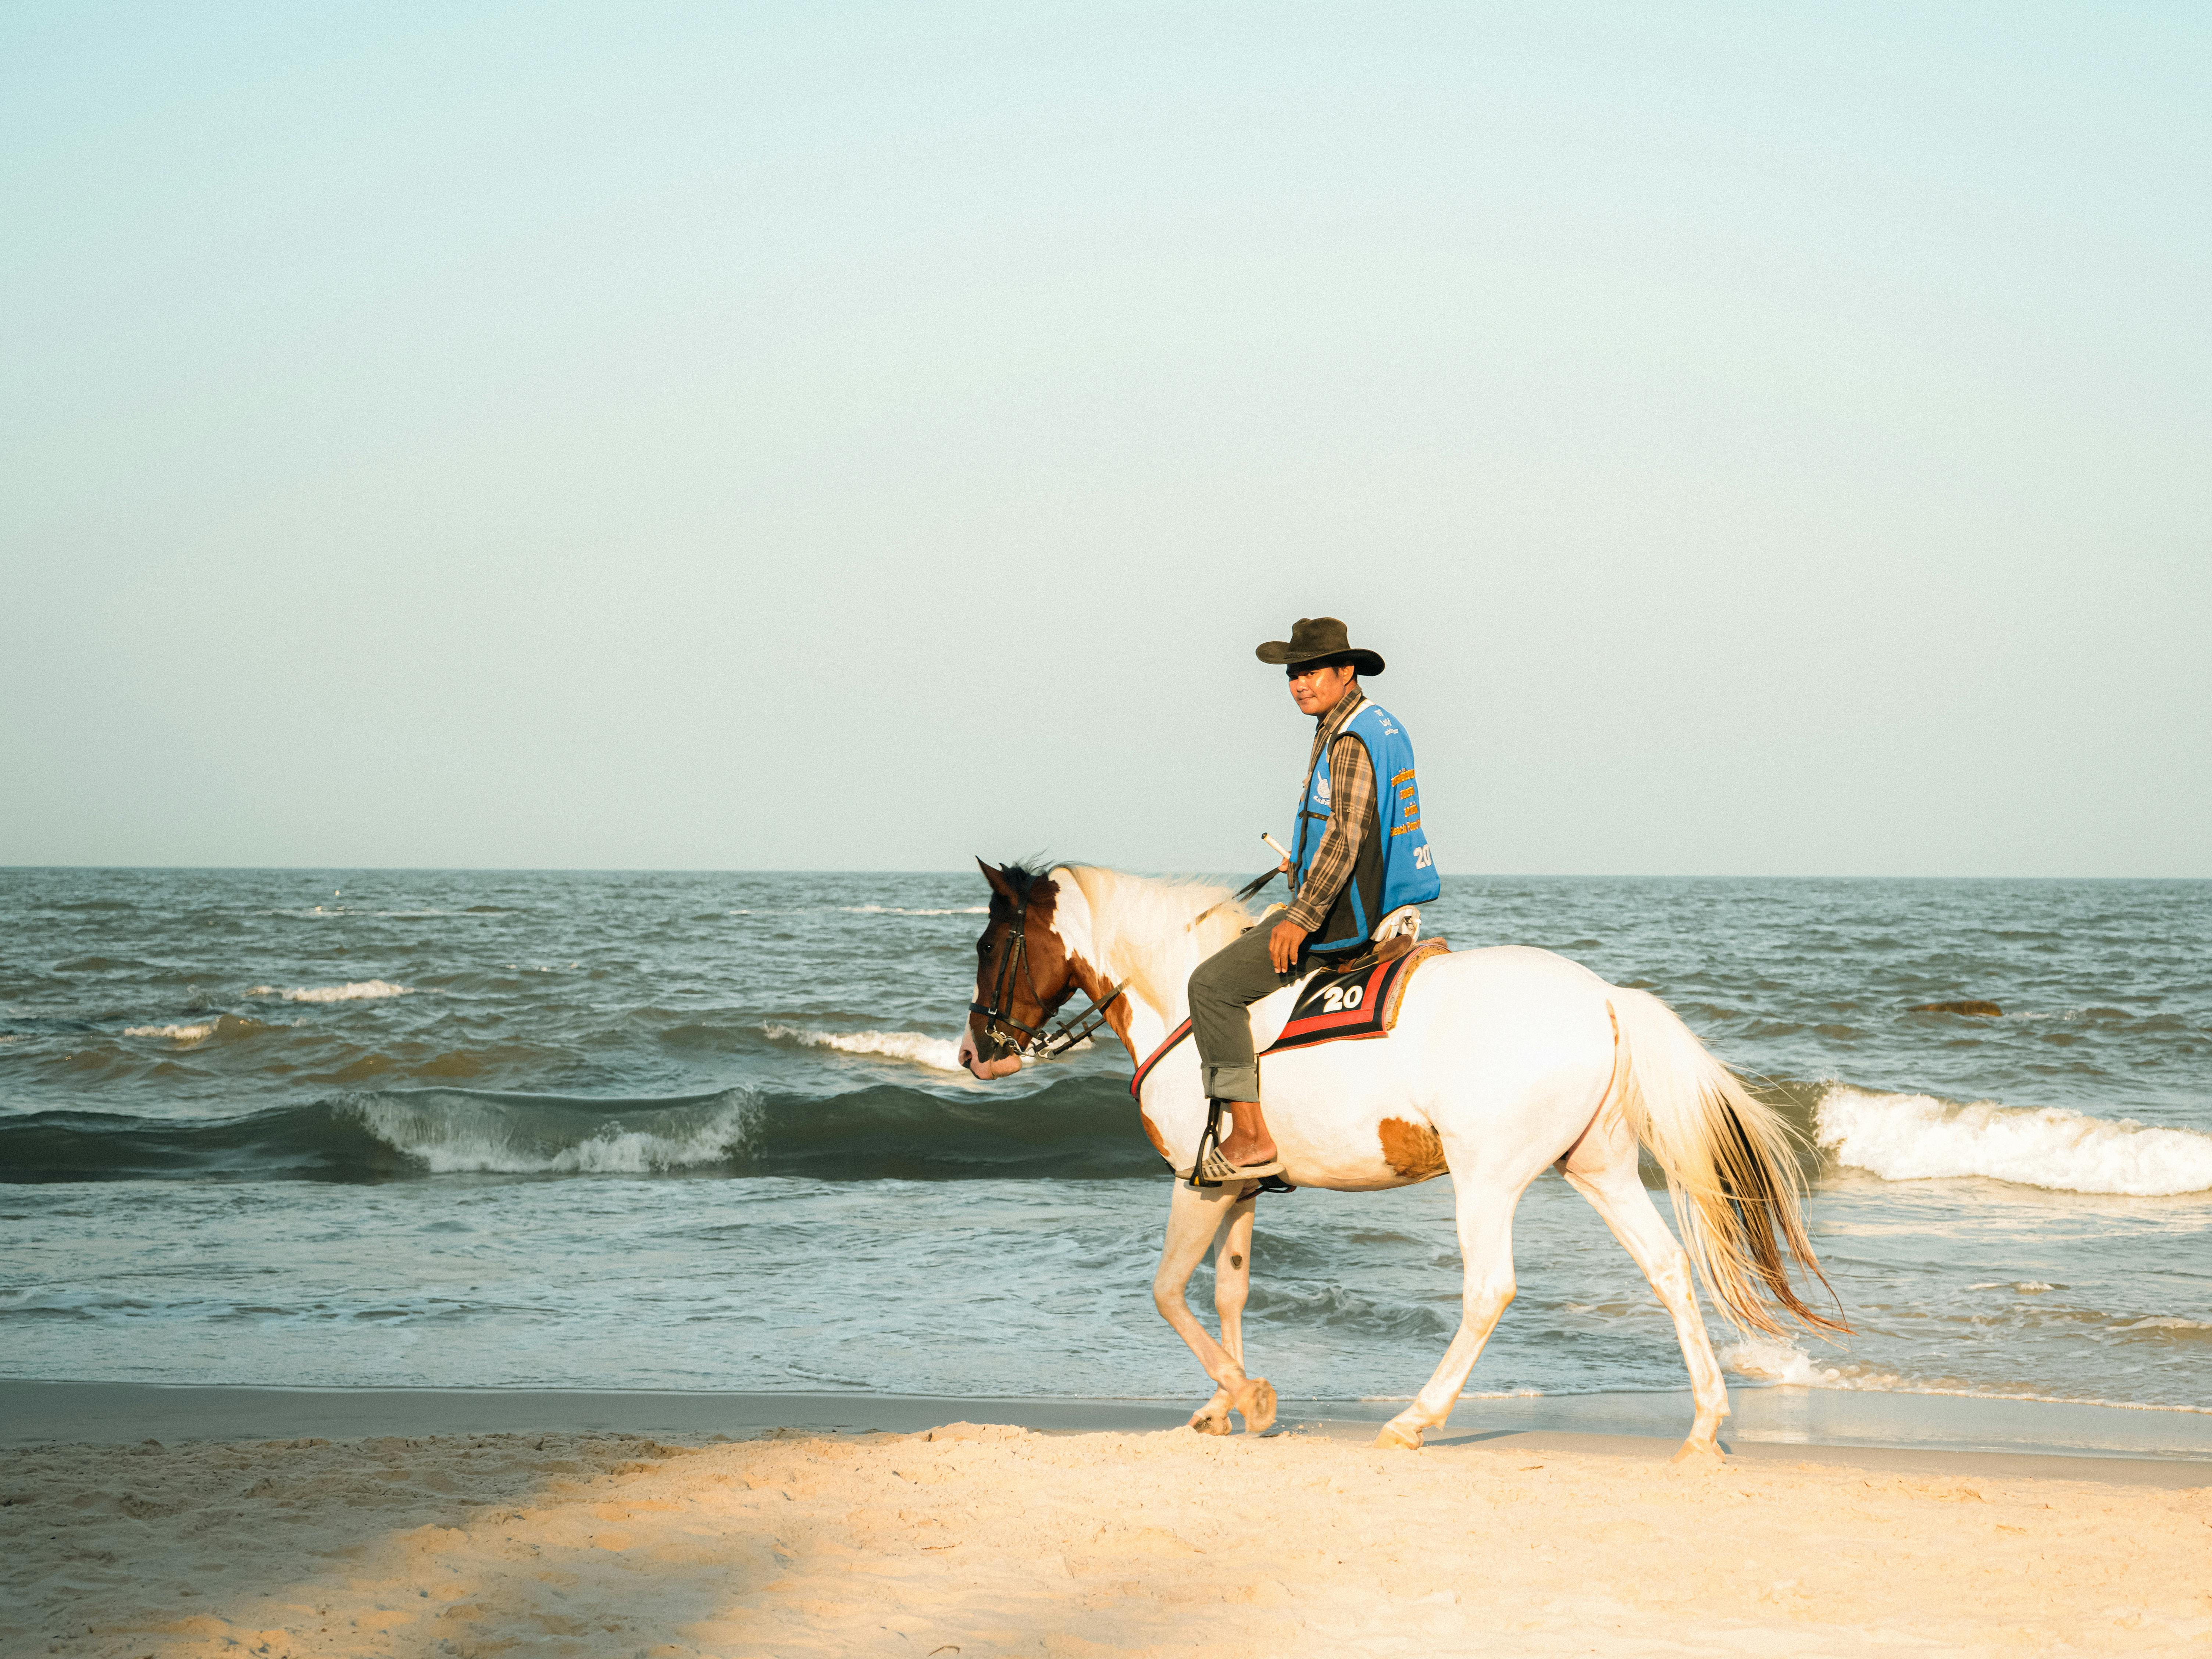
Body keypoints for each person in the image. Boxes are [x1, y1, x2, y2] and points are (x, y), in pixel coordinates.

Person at [1185, 617, 1440, 1181]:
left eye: (1310, 671)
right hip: (1392, 898)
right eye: (1292, 674)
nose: (1299, 684)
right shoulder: (1378, 723)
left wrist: (1301, 915)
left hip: (1353, 913)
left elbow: (1348, 833)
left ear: (1345, 671)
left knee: (1211, 986)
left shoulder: (1348, 735)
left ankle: (1251, 1136)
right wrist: (1299, 862)